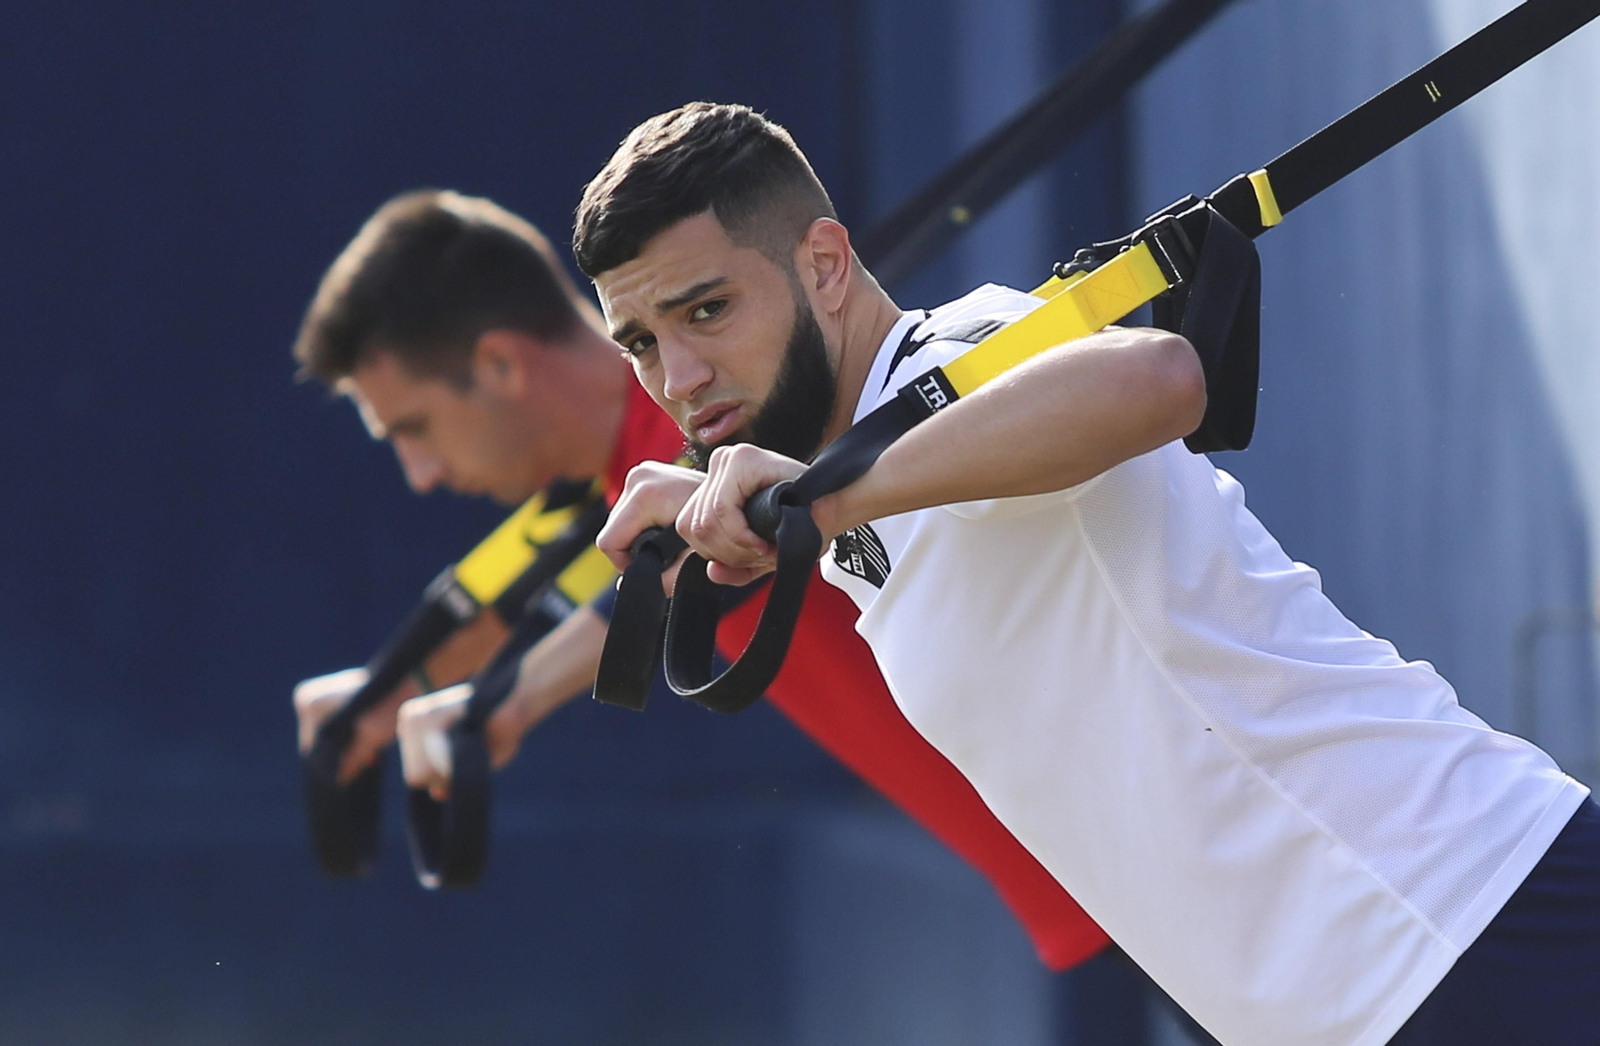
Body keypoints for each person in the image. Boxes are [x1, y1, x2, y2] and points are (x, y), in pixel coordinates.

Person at [585, 102, 1600, 1046]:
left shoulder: (954, 358)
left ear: (824, 265)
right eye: (640, 342)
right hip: (1359, 996)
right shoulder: (853, 482)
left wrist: (821, 502)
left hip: (1459, 921)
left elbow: (1154, 378)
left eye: (706, 310)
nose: (678, 378)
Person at [287, 189, 1120, 985]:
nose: (421, 474)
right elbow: (602, 590)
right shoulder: (627, 480)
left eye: (415, 428)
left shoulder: (724, 430)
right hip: (1095, 886)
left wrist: (506, 701)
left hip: (1140, 846)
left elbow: (681, 567)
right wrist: (394, 690)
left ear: (501, 364)